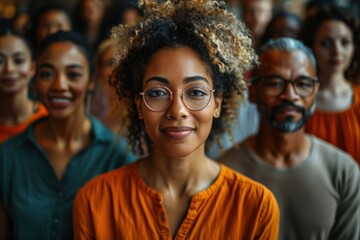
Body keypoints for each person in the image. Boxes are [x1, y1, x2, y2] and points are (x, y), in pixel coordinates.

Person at [73, 0, 279, 239]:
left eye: (196, 92)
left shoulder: (255, 207)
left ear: (217, 103)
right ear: (139, 105)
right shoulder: (96, 201)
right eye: (157, 93)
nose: (177, 110)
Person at [219, 37, 360, 239]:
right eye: (275, 83)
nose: (290, 95)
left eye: (303, 84)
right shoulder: (223, 174)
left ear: (315, 92)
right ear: (252, 91)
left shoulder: (343, 172)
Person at [0, 31, 136, 240]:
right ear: (35, 80)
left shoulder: (117, 155)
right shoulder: (8, 156)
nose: (59, 86)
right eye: (47, 74)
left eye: (73, 75)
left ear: (91, 81)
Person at [300, 6, 360, 164]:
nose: (337, 51)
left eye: (345, 42)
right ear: (311, 46)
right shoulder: (298, 100)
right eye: (326, 43)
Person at [0, 29, 47, 143]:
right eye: (0, 61)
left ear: (32, 68)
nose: (9, 69)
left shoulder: (48, 121)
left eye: (18, 60)